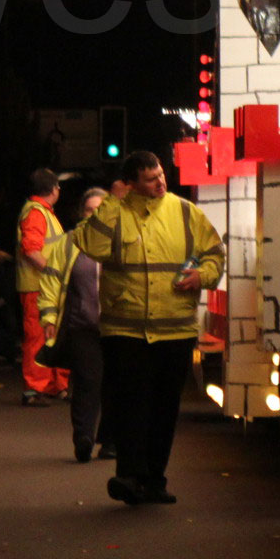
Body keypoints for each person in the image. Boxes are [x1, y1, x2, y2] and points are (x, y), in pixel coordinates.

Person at [67, 149, 225, 505]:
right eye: (151, 179)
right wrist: (112, 202)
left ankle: (154, 480)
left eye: (161, 175)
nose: (160, 183)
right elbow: (89, 244)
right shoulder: (116, 213)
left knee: (164, 410)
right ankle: (129, 476)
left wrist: (203, 275)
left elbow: (215, 253)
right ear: (131, 184)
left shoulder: (185, 212)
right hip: (126, 331)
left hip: (175, 330)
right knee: (130, 406)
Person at [39, 186, 114, 462]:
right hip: (82, 324)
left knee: (115, 383)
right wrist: (48, 316)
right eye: (89, 210)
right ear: (81, 213)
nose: (94, 215)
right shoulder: (69, 243)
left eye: (100, 210)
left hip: (118, 326)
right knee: (87, 380)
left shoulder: (122, 239)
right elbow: (51, 280)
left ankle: (110, 441)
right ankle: (83, 437)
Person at [15, 168, 71, 405]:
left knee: (52, 337)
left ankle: (54, 385)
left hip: (44, 287)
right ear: (54, 189)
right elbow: (31, 250)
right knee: (38, 338)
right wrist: (55, 273)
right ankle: (34, 389)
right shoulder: (37, 213)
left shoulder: (42, 212)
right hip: (38, 288)